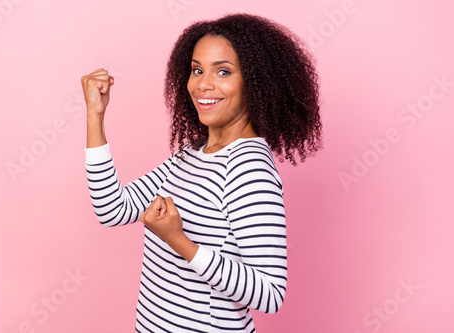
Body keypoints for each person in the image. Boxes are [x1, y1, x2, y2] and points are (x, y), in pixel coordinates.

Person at [81, 13, 322, 333]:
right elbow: (112, 209)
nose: (202, 84)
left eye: (223, 71)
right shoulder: (192, 155)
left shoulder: (248, 168)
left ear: (256, 81)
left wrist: (179, 240)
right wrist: (95, 115)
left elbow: (270, 294)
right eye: (197, 69)